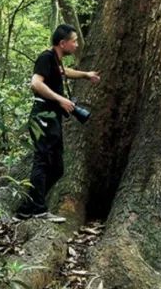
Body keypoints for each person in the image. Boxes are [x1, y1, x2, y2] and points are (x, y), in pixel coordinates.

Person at [18, 24, 100, 219]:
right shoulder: (46, 57)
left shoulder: (56, 60)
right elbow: (36, 83)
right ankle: (38, 210)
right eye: (74, 41)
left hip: (52, 118)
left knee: (57, 167)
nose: (77, 44)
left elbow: (64, 72)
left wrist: (86, 75)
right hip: (43, 115)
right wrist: (60, 99)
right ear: (63, 43)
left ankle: (28, 207)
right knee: (42, 161)